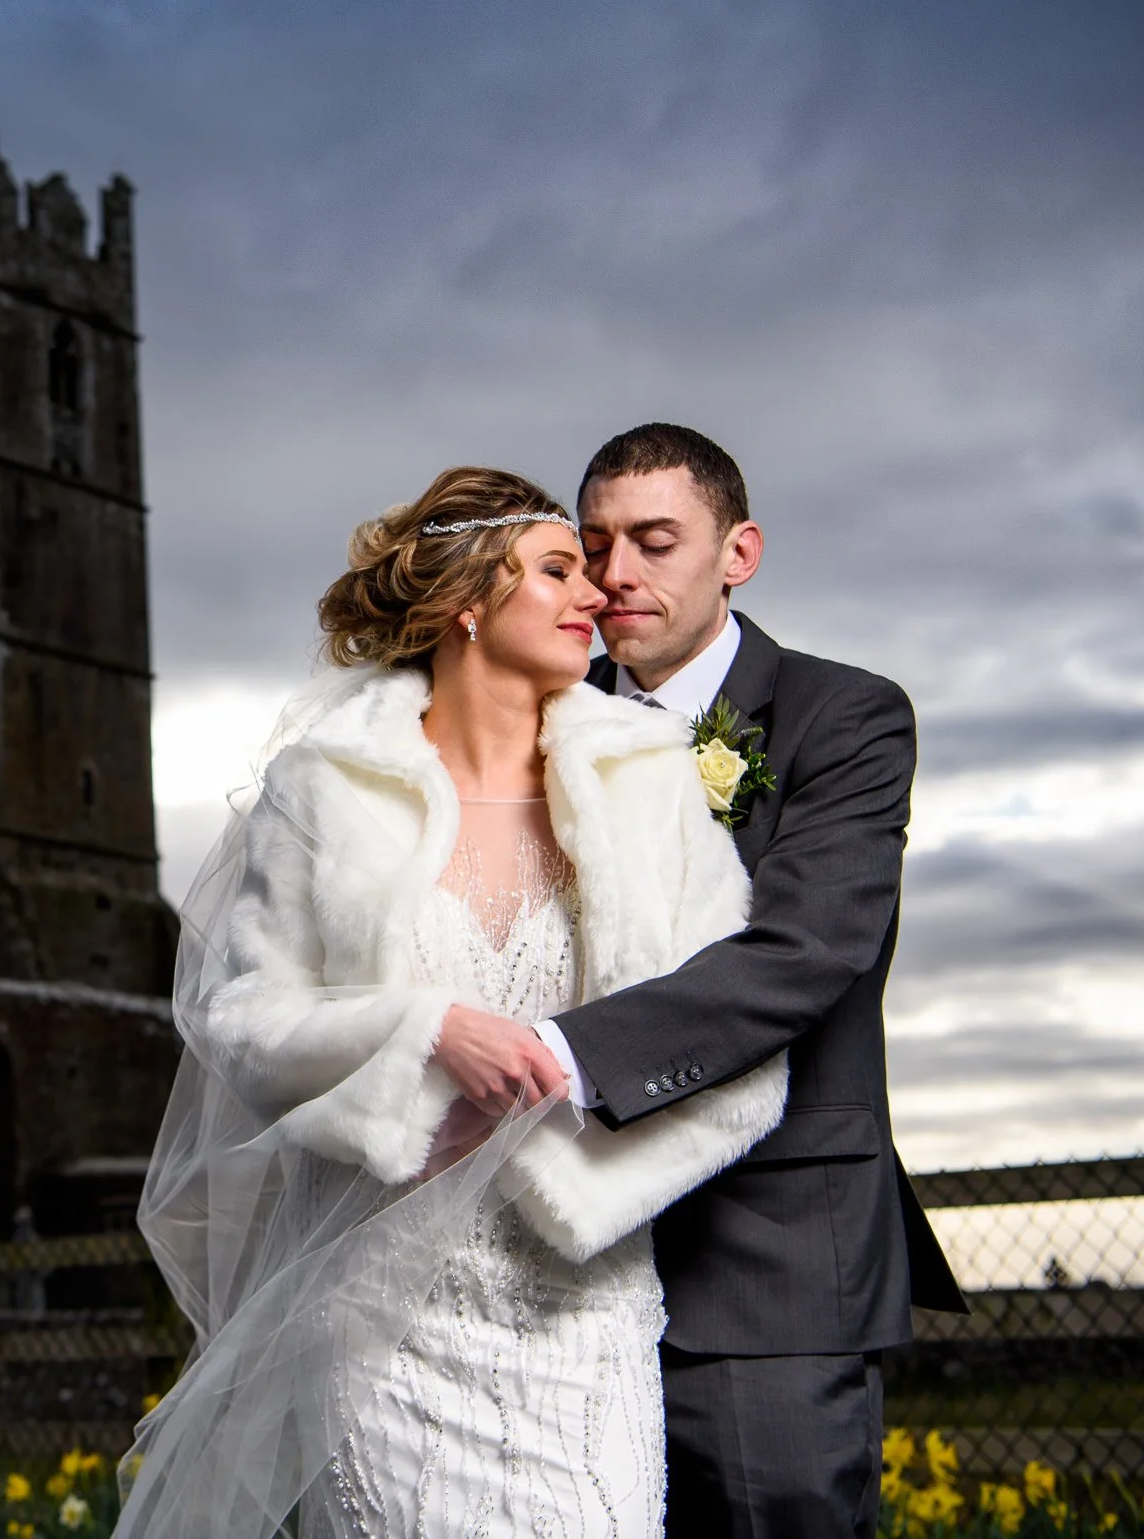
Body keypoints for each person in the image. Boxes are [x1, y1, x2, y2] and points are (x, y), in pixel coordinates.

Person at [123, 467, 793, 1539]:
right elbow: (239, 1017)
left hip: (581, 1305)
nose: (596, 595)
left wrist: (559, 1178)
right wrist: (417, 1034)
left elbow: (734, 1054)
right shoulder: (327, 787)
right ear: (466, 605)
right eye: (559, 569)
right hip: (378, 1316)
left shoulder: (649, 783)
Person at [449, 424, 967, 1536]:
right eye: (591, 545)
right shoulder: (525, 722)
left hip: (763, 1256)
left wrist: (559, 1057)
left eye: (654, 540)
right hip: (544, 1260)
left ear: (738, 553)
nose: (616, 574)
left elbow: (805, 955)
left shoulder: (844, 716)